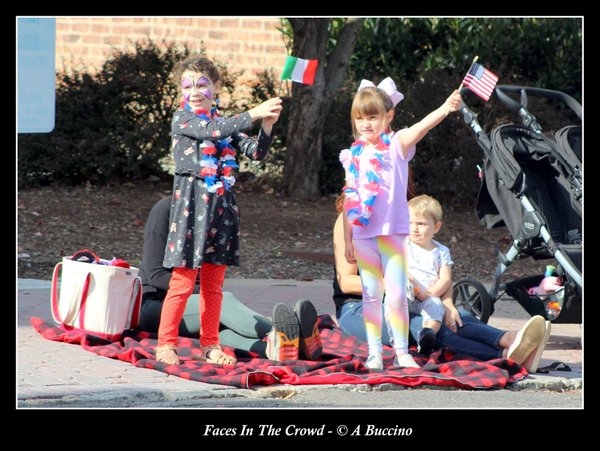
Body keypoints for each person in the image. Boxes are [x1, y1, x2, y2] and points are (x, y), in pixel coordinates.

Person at [155, 55, 284, 365]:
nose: (195, 91)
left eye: (202, 84)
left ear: (216, 87)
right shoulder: (183, 120)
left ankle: (211, 345)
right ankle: (166, 344)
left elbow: (256, 152)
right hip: (190, 211)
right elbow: (212, 130)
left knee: (214, 286)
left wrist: (266, 126)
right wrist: (253, 111)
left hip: (221, 211)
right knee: (184, 281)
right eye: (187, 85)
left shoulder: (223, 124)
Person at [333, 194, 552, 372]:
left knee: (457, 318)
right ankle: (505, 355)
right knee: (429, 330)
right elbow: (346, 283)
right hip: (360, 305)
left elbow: (441, 275)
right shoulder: (353, 220)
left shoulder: (403, 215)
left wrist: (447, 305)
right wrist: (393, 280)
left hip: (414, 297)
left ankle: (510, 339)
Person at [339, 77, 462, 369]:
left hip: (393, 234)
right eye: (360, 118)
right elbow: (349, 199)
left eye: (373, 116)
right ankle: (374, 352)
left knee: (396, 294)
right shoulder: (353, 155)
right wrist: (347, 239)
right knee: (371, 294)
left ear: (388, 116)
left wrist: (446, 107)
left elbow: (423, 126)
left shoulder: (396, 144)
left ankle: (402, 350)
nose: (366, 124)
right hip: (363, 235)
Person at [140, 196, 323, 363]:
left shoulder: (219, 212)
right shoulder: (165, 209)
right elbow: (155, 275)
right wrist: (203, 293)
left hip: (198, 303)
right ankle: (290, 331)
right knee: (224, 303)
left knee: (221, 332)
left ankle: (280, 350)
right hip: (156, 304)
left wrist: (208, 295)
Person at [406, 194, 452, 355]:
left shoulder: (441, 251)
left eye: (421, 224)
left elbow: (445, 278)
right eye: (410, 222)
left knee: (436, 307)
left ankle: (427, 334)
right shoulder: (403, 244)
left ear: (436, 227)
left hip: (428, 296)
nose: (414, 228)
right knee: (396, 297)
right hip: (408, 292)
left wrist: (429, 294)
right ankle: (396, 330)